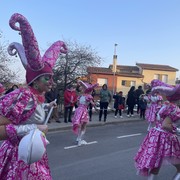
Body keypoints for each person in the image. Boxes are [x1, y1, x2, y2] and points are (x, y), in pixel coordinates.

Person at [0, 13, 67, 179]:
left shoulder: (35, 96)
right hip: (18, 157)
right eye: (47, 78)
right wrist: (34, 129)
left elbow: (28, 114)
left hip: (32, 154)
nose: (51, 83)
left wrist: (46, 107)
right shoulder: (22, 96)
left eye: (52, 78)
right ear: (35, 81)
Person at [134, 79, 180, 180]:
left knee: (156, 162)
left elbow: (160, 122)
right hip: (166, 138)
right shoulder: (174, 108)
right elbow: (166, 125)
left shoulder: (165, 105)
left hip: (156, 135)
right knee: (177, 163)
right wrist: (178, 130)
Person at [72, 80, 98, 146]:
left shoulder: (81, 96)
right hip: (83, 111)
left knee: (80, 125)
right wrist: (95, 107)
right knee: (84, 126)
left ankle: (78, 139)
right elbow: (92, 104)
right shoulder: (88, 96)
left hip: (78, 110)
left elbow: (77, 103)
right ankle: (80, 141)